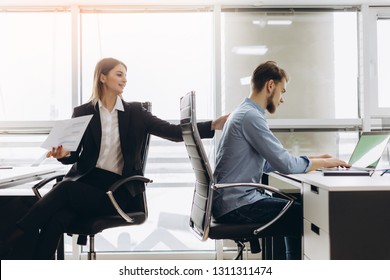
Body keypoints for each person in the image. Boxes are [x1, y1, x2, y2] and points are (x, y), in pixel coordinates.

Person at [0, 57, 228, 260]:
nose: (125, 80)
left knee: (63, 190)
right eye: (119, 74)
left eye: (126, 75)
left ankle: (13, 237)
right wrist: (64, 154)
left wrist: (212, 125)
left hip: (116, 193)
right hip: (87, 186)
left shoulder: (136, 112)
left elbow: (173, 131)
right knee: (56, 219)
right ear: (102, 77)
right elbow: (74, 157)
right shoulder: (83, 112)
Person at [212, 61, 350, 260]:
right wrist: (325, 163)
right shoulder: (250, 117)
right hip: (237, 205)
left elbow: (267, 163)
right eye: (282, 91)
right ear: (270, 86)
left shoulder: (242, 113)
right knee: (301, 215)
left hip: (230, 202)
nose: (282, 99)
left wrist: (317, 158)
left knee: (291, 207)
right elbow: (285, 165)